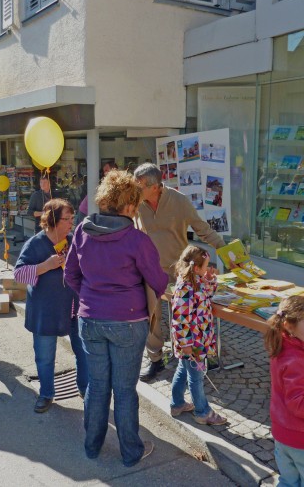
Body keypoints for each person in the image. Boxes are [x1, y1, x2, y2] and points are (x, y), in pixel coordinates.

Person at [64, 170, 168, 467]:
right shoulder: (136, 239)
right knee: (124, 389)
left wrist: (91, 296)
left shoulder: (83, 231)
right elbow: (158, 282)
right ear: (129, 206)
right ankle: (130, 451)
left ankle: (92, 446)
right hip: (128, 321)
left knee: (97, 385)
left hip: (90, 319)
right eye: (135, 205)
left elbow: (71, 275)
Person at [133, 163, 225, 382]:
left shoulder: (179, 201)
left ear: (155, 186)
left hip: (180, 268)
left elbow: (202, 229)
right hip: (150, 267)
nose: (136, 189)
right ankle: (155, 358)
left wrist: (230, 252)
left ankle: (200, 354)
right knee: (151, 314)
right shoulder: (135, 203)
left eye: (140, 185)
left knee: (192, 311)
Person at [14, 198, 88, 414]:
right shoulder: (36, 244)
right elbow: (18, 274)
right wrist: (44, 267)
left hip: (74, 308)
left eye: (72, 218)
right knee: (45, 356)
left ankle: (85, 389)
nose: (71, 223)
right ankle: (46, 394)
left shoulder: (73, 239)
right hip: (45, 311)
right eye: (67, 219)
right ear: (53, 220)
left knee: (83, 352)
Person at [170, 245, 227, 425]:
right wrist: (186, 344)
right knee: (196, 376)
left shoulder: (196, 280)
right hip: (192, 341)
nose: (207, 269)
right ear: (196, 268)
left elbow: (207, 294)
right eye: (205, 267)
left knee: (182, 369)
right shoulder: (185, 287)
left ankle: (177, 403)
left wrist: (209, 280)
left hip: (197, 339)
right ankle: (203, 412)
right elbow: (180, 320)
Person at [264, 296, 304, 485]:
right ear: (289, 325)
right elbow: (298, 402)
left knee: (288, 481)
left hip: (283, 434)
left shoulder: (283, 346)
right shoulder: (295, 359)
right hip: (300, 439)